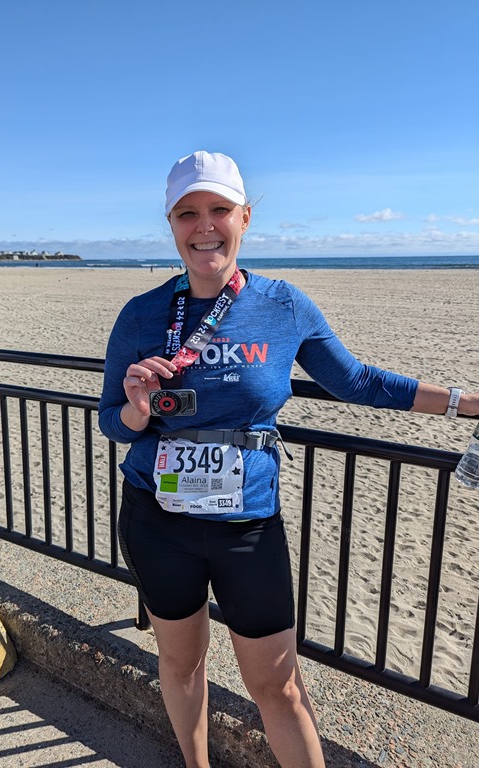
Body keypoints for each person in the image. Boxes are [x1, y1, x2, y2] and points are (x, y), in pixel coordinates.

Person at [98, 151, 479, 768]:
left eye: (219, 210)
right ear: (171, 225)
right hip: (157, 519)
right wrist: (138, 412)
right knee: (181, 663)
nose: (204, 226)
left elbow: (358, 382)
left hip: (247, 526)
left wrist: (465, 403)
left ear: (244, 218)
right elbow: (111, 422)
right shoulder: (140, 315)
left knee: (278, 687)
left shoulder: (282, 306)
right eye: (188, 213)